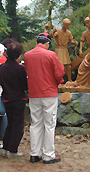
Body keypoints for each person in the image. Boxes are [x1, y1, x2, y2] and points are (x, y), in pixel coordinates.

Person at [24, 33, 64, 164]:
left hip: (34, 93)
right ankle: (49, 155)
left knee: (35, 123)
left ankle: (34, 154)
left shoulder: (27, 55)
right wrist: (59, 82)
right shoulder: (50, 54)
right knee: (50, 124)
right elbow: (59, 72)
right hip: (49, 93)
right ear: (47, 43)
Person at [0, 39, 28, 158]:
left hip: (6, 98)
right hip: (18, 99)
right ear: (19, 55)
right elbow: (25, 86)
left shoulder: (2, 67)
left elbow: (0, 82)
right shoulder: (20, 69)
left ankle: (6, 148)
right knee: (18, 126)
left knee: (10, 124)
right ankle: (12, 149)